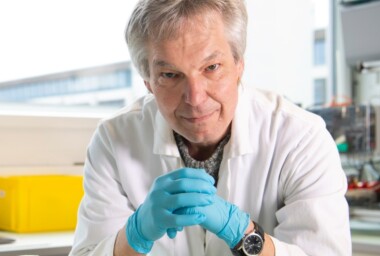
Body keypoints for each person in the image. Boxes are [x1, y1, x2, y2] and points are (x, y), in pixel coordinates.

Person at [70, 0, 351, 255]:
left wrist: (243, 234)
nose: (195, 98)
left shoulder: (302, 138)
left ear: (239, 64)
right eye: (170, 75)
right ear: (148, 83)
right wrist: (136, 234)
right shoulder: (113, 139)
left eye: (212, 67)